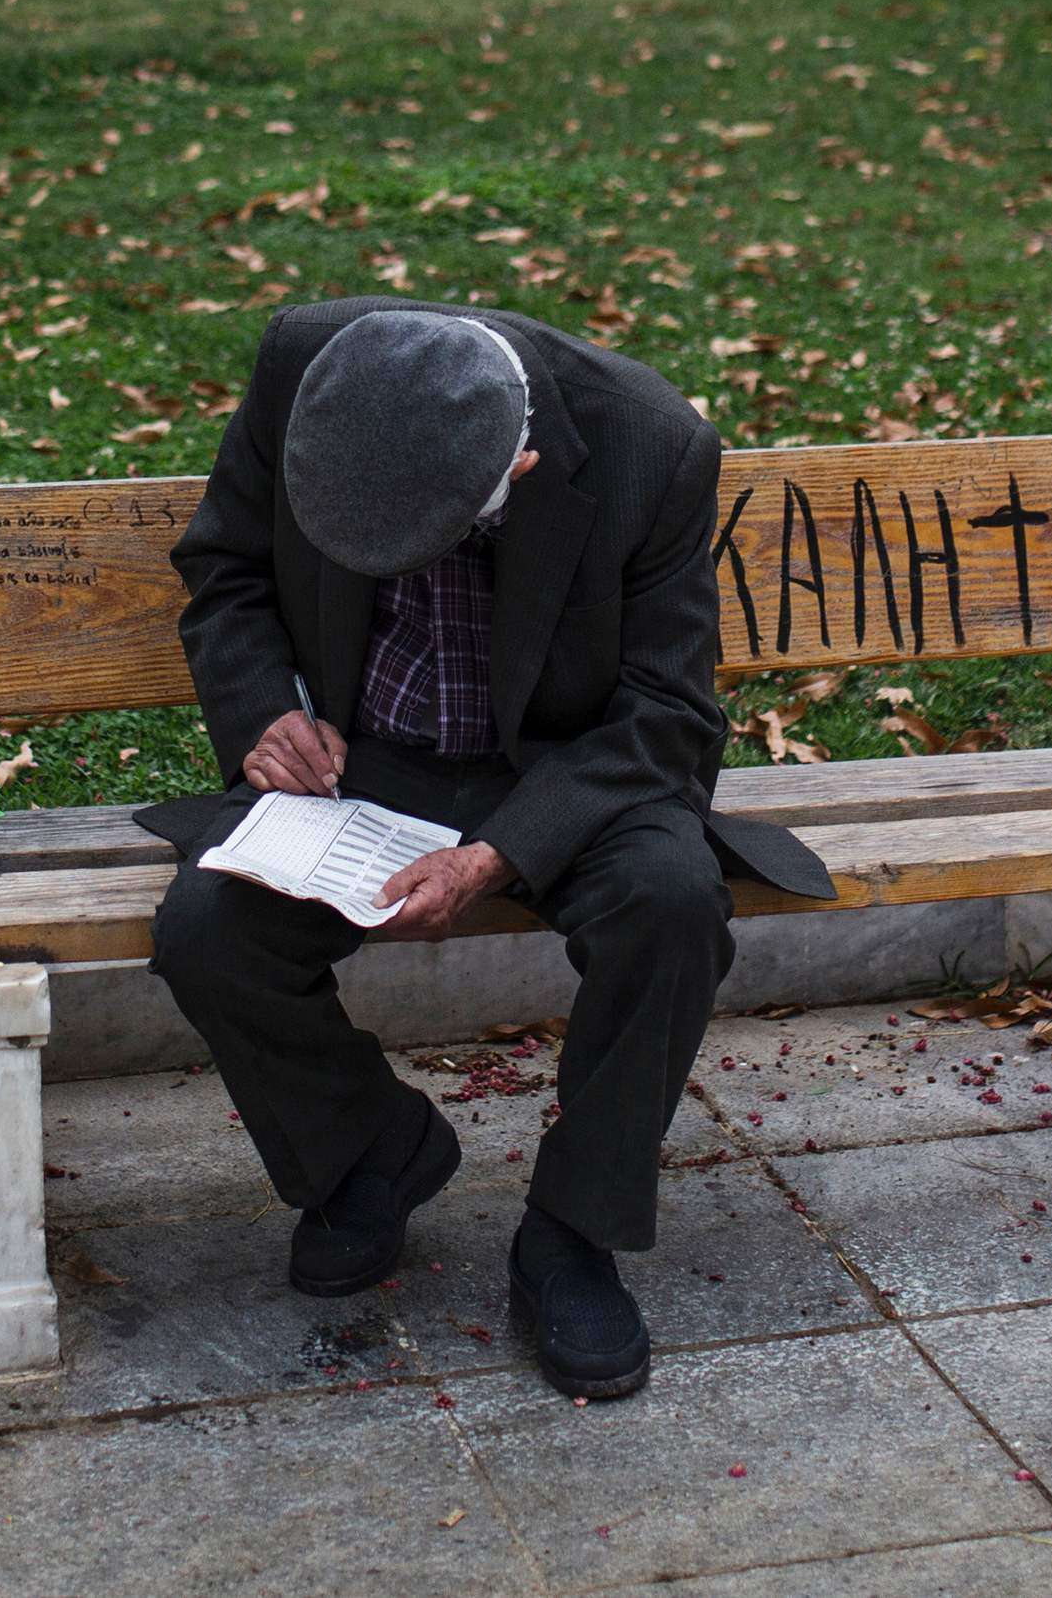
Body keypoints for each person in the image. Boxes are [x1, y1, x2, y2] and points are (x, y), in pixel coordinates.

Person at [140, 302, 833, 1403]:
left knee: (670, 904)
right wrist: (265, 708)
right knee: (206, 931)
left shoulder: (651, 440)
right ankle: (370, 1154)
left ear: (521, 457)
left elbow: (664, 708)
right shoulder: (307, 367)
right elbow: (224, 566)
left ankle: (572, 1231)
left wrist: (497, 853)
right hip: (363, 757)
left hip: (572, 766)